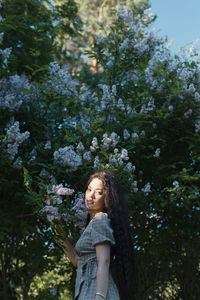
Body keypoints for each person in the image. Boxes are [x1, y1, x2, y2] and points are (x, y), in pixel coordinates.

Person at [62, 170, 137, 300]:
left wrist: (99, 296)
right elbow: (77, 261)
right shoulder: (92, 224)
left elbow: (104, 260)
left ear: (107, 198)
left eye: (99, 192)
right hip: (88, 290)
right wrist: (57, 229)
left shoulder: (100, 219)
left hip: (96, 292)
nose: (91, 195)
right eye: (89, 189)